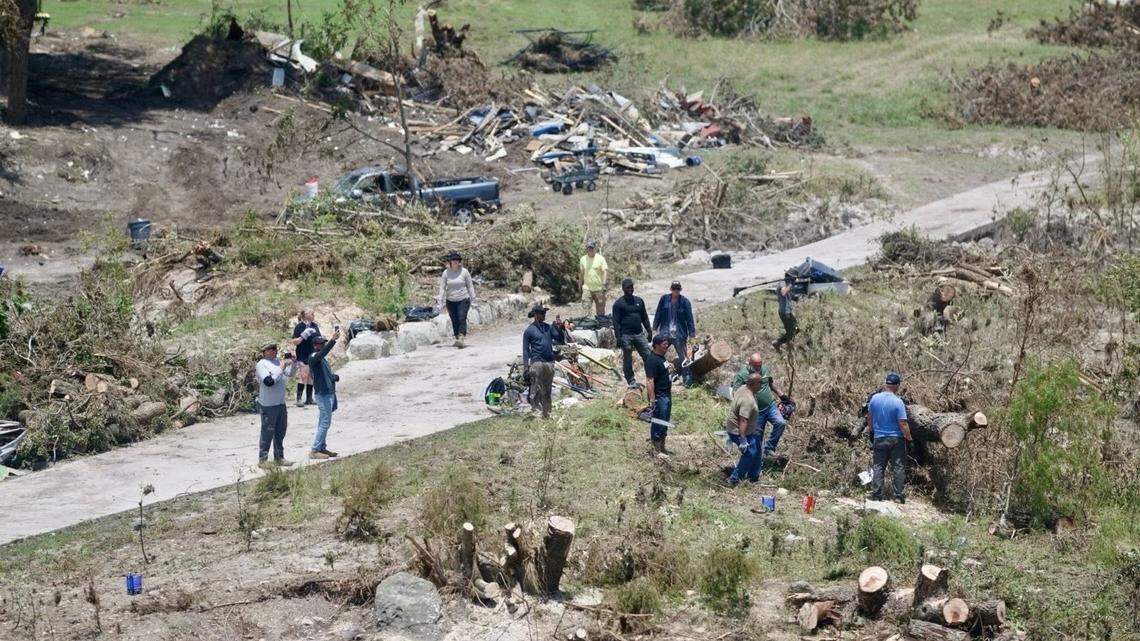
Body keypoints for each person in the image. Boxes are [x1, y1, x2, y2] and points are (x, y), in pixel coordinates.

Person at [730, 352, 790, 457]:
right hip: (755, 412)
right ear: (749, 363)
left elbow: (771, 384)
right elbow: (735, 393)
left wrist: (782, 395)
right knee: (757, 438)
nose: (758, 368)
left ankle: (769, 448)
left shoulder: (765, 369)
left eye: (759, 365)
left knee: (780, 423)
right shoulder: (742, 375)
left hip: (770, 406)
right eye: (755, 366)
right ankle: (757, 463)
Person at [867, 372, 912, 503]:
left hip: (879, 437)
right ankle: (898, 496)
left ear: (886, 383)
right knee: (898, 467)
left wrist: (872, 431)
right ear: (897, 386)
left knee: (878, 466)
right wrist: (909, 439)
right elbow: (903, 423)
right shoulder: (898, 402)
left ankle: (876, 495)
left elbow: (869, 417)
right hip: (896, 440)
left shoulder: (874, 399)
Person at [255, 343, 298, 469]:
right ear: (264, 351)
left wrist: (294, 363)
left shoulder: (278, 362)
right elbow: (269, 382)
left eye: (275, 349)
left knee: (280, 431)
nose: (274, 351)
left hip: (280, 403)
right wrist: (282, 366)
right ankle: (262, 459)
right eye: (271, 349)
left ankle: (279, 457)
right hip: (268, 404)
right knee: (267, 432)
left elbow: (289, 374)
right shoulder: (261, 364)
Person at [653, 281, 696, 386]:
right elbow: (658, 313)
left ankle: (687, 379)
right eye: (674, 288)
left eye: (677, 289)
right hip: (665, 333)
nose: (676, 291)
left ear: (680, 290)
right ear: (671, 289)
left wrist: (692, 333)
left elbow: (689, 318)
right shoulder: (664, 299)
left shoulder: (685, 302)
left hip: (679, 335)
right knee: (659, 355)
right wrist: (654, 328)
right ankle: (657, 377)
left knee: (683, 357)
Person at [308, 329, 342, 460]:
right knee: (325, 422)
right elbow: (323, 353)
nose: (322, 346)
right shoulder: (313, 357)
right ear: (315, 345)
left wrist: (333, 377)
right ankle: (315, 449)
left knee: (323, 421)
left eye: (323, 343)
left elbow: (324, 375)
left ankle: (321, 447)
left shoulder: (322, 359)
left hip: (328, 393)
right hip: (323, 395)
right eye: (320, 344)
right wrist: (333, 340)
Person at [612, 278, 653, 388]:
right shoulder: (618, 304)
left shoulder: (639, 301)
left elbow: (644, 317)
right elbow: (615, 322)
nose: (630, 289)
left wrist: (649, 331)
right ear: (623, 289)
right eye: (627, 288)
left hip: (639, 334)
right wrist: (618, 338)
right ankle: (631, 380)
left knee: (648, 355)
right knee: (628, 358)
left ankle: (652, 376)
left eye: (631, 287)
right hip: (626, 335)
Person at [725, 373, 764, 486]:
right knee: (750, 453)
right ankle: (734, 479)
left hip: (748, 429)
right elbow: (743, 420)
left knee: (757, 449)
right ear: (753, 384)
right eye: (760, 383)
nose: (761, 385)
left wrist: (754, 426)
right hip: (739, 430)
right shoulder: (748, 400)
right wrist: (742, 440)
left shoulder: (743, 388)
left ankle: (753, 477)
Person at [522, 303, 556, 419]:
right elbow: (525, 350)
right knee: (536, 387)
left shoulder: (548, 327)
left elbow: (559, 337)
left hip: (549, 362)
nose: (544, 315)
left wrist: (559, 327)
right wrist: (526, 367)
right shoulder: (529, 331)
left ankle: (547, 412)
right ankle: (536, 411)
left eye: (545, 313)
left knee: (547, 389)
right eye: (542, 313)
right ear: (536, 315)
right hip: (536, 362)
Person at [437, 250, 476, 349]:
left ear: (459, 261)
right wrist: (440, 301)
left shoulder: (464, 272)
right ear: (450, 261)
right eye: (453, 260)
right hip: (450, 300)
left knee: (461, 317)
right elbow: (442, 287)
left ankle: (462, 337)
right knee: (454, 319)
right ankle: (457, 337)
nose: (455, 262)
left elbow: (470, 286)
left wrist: (474, 298)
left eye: (457, 260)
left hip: (463, 299)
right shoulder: (446, 273)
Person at [644, 335, 673, 454]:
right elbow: (649, 381)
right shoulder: (652, 360)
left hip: (667, 394)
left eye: (667, 344)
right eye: (664, 344)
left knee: (665, 422)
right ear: (656, 345)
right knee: (658, 422)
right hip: (660, 397)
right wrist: (652, 400)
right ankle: (656, 451)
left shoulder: (662, 357)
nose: (667, 346)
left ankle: (662, 448)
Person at [291, 309, 320, 407]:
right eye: (312, 313)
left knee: (311, 377)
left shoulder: (314, 326)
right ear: (306, 315)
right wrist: (303, 336)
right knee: (303, 376)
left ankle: (309, 398)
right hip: (302, 354)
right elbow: (294, 341)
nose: (313, 315)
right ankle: (299, 399)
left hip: (313, 354)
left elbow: (318, 338)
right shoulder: (299, 326)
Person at [579, 240, 609, 317]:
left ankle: (601, 326)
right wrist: (579, 285)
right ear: (586, 249)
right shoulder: (583, 259)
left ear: (595, 248)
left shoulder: (600, 259)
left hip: (599, 289)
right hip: (587, 289)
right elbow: (581, 273)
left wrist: (604, 284)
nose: (590, 250)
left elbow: (605, 271)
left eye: (592, 248)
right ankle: (587, 326)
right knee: (586, 311)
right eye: (588, 248)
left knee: (600, 311)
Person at [772, 273, 798, 350]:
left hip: (788, 311)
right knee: (791, 332)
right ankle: (777, 342)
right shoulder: (782, 283)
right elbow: (783, 292)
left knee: (796, 329)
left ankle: (789, 344)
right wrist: (791, 284)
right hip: (784, 312)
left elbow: (787, 296)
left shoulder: (786, 284)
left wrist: (794, 298)